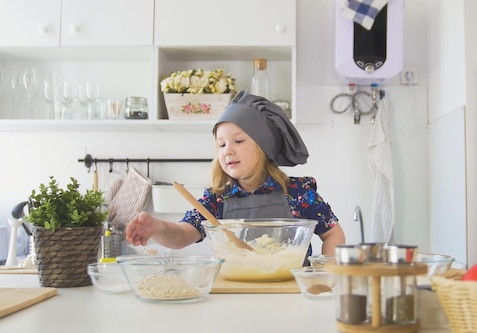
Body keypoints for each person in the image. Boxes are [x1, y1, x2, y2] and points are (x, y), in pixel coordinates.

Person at [125, 90, 346, 261]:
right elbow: (182, 235)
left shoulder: (298, 193)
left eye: (238, 141)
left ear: (264, 146)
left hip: (291, 294)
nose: (227, 150)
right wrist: (155, 228)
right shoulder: (217, 199)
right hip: (234, 294)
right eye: (221, 144)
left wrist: (326, 272)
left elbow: (332, 233)